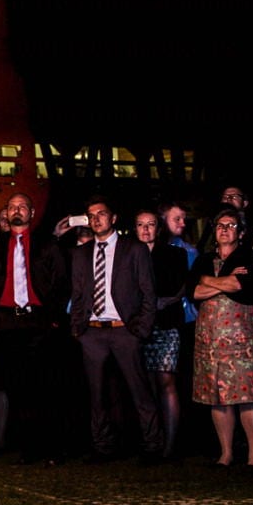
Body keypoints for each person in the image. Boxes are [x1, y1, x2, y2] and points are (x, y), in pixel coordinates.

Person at [69, 198, 162, 464]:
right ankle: (103, 446)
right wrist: (79, 329)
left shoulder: (133, 249)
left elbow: (148, 291)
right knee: (96, 393)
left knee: (139, 390)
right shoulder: (81, 253)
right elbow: (77, 294)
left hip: (125, 329)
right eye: (91, 215)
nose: (96, 219)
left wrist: (140, 329)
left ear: (114, 218)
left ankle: (152, 446)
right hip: (93, 331)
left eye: (101, 214)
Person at [188, 208, 253, 471]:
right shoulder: (203, 259)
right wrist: (223, 280)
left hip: (242, 336)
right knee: (217, 395)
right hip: (210, 337)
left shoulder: (248, 256)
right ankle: (226, 454)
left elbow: (240, 286)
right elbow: (195, 292)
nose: (224, 229)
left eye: (230, 225)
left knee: (247, 394)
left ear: (241, 232)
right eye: (220, 225)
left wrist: (211, 282)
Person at [136, 209, 190, 459]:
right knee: (146, 383)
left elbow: (180, 288)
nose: (145, 229)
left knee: (166, 380)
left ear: (158, 229)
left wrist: (159, 302)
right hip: (138, 327)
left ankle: (171, 444)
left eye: (150, 225)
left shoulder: (175, 254)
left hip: (166, 323)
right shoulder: (128, 255)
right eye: (140, 225)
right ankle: (152, 441)